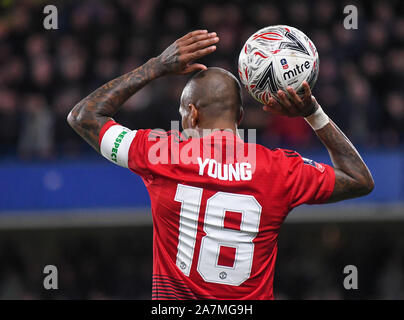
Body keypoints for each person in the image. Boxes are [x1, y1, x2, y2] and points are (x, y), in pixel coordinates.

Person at [67, 30, 374, 299]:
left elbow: (83, 117)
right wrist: (312, 112)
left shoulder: (161, 153)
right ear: (239, 118)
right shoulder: (278, 169)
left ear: (192, 113)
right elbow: (359, 178)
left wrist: (156, 66)